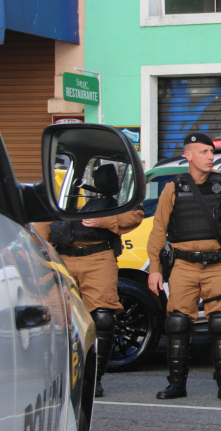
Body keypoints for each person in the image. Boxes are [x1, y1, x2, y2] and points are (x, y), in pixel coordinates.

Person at [147, 132, 221, 402]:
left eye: (211, 152)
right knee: (178, 323)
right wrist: (155, 269)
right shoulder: (173, 188)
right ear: (188, 155)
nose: (210, 157)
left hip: (218, 265)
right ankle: (176, 384)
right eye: (204, 152)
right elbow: (158, 230)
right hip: (183, 265)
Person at [35, 164, 144, 398]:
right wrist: (44, 252)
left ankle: (94, 379)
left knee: (103, 319)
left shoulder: (118, 201)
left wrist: (103, 221)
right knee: (58, 320)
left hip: (98, 257)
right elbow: (42, 225)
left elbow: (135, 216)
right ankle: (60, 377)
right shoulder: (63, 193)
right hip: (62, 257)